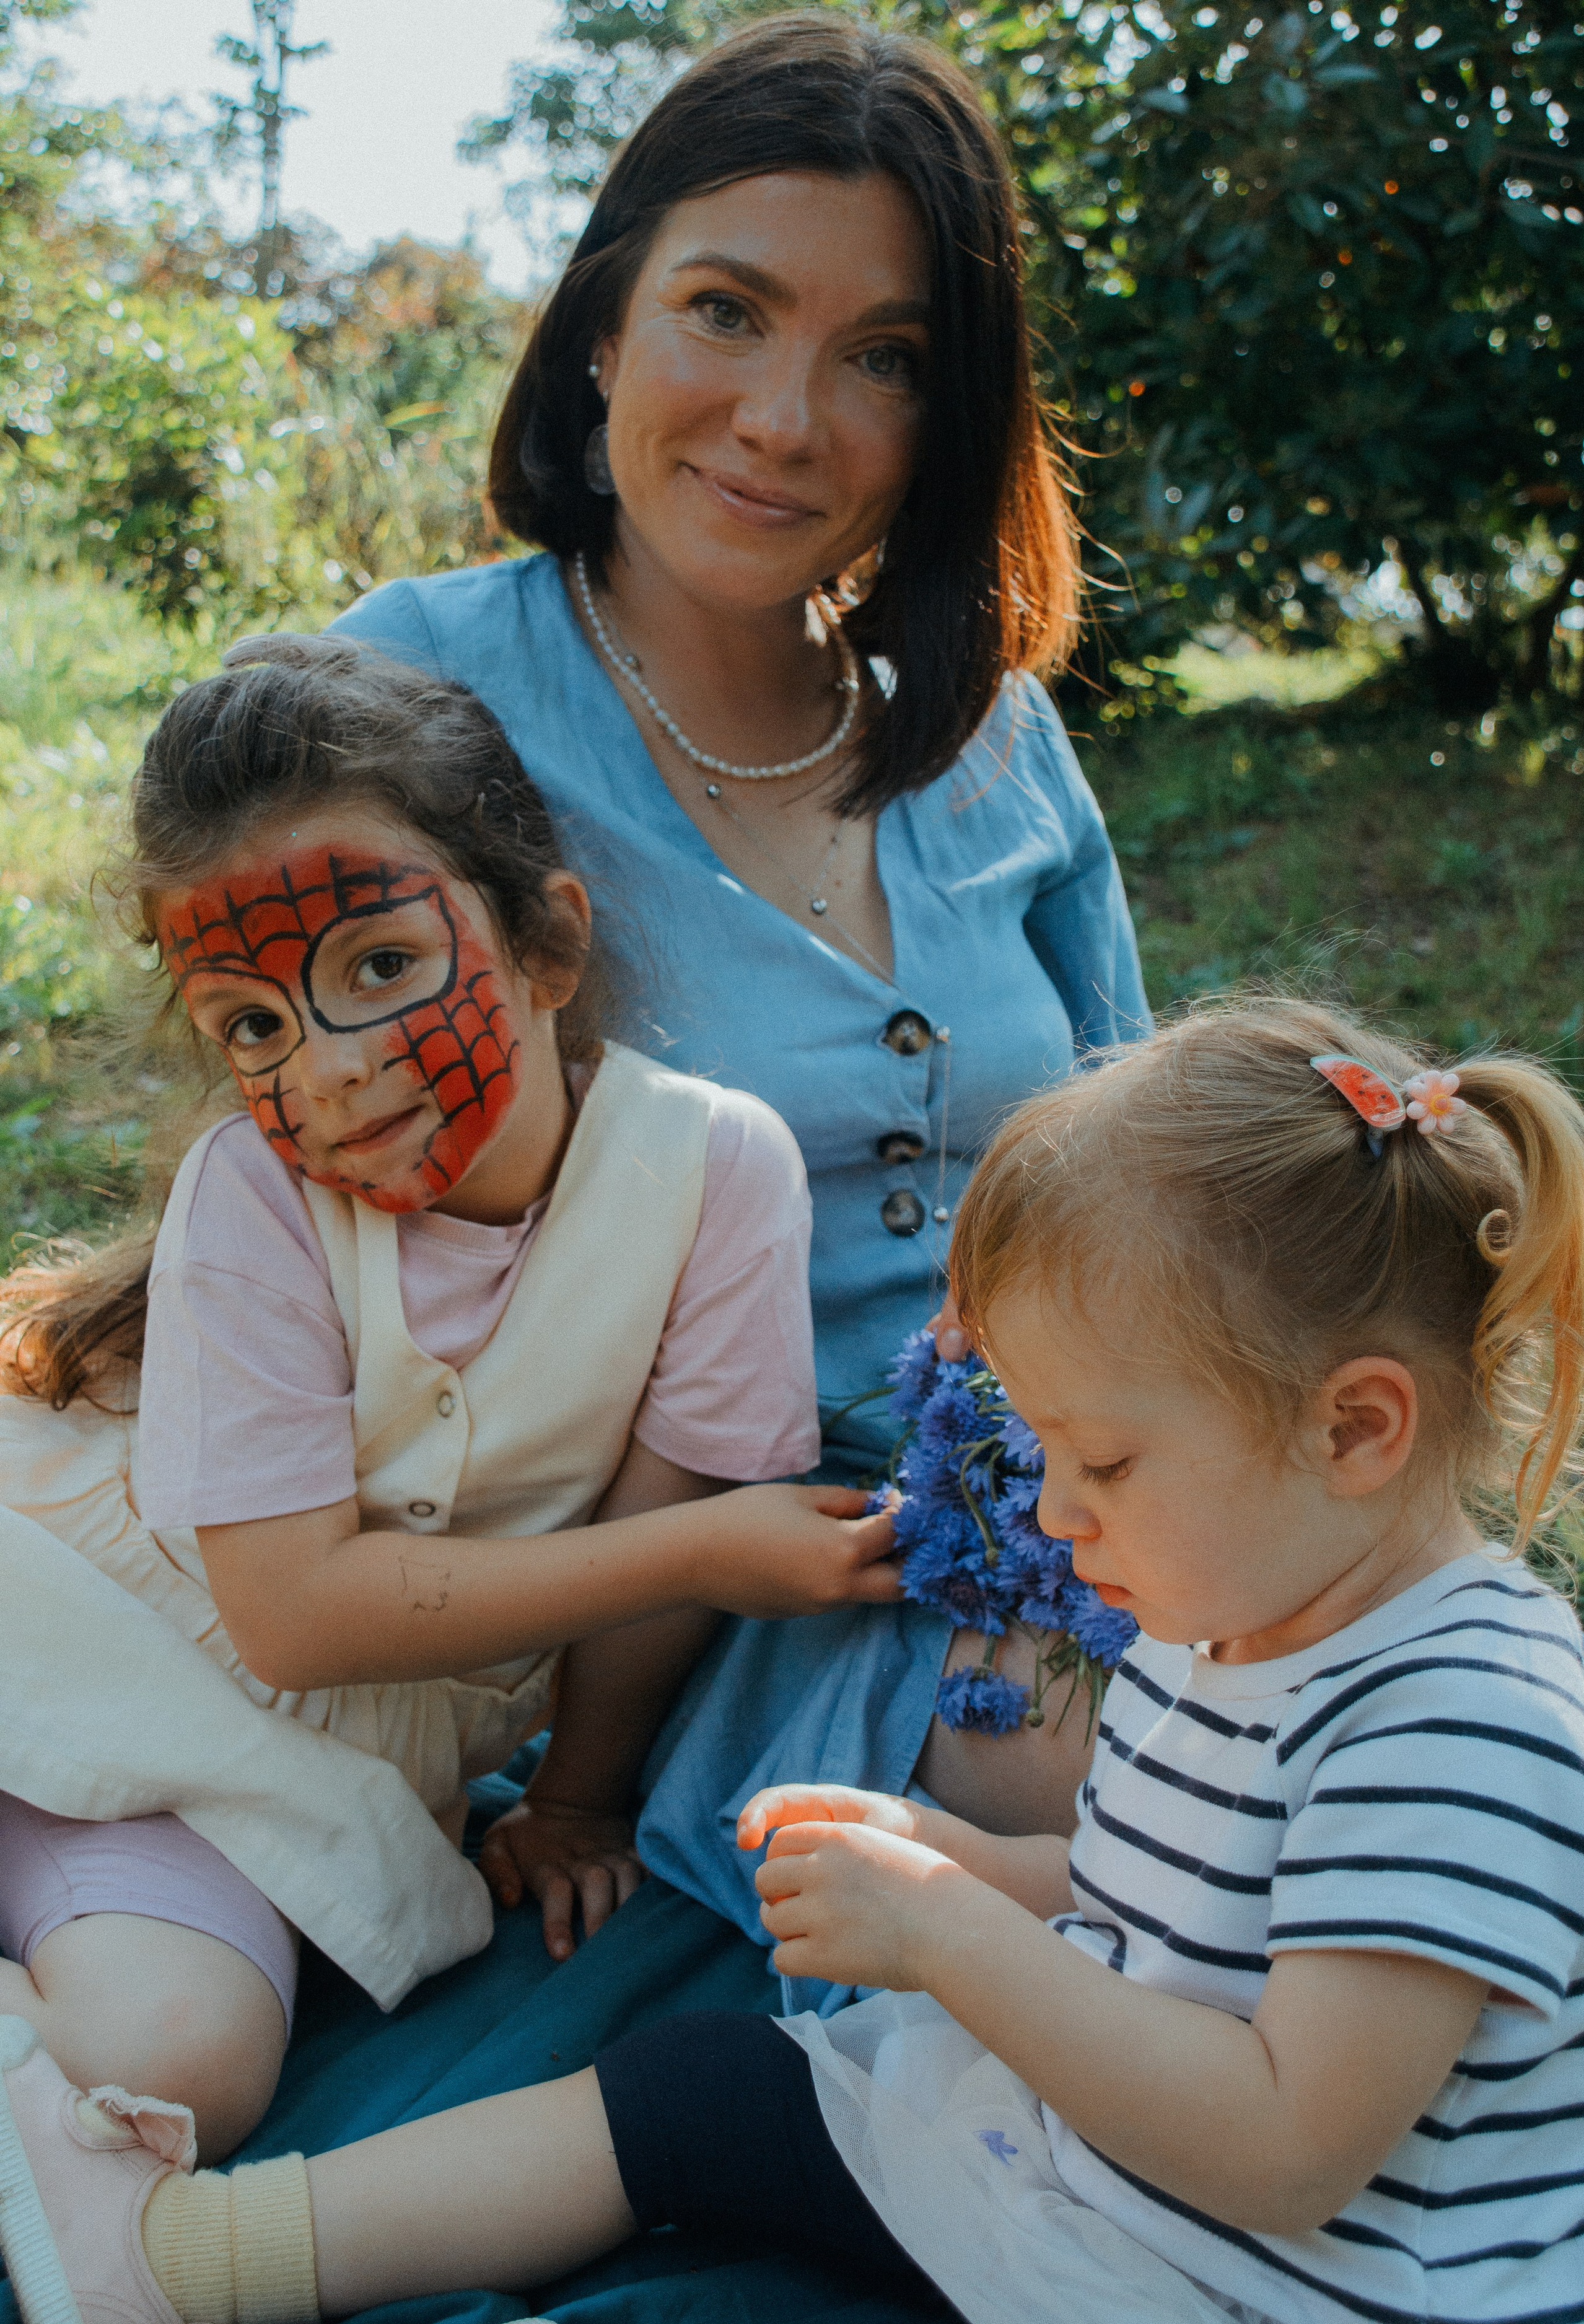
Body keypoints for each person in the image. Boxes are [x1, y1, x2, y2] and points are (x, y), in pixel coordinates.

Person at [10, 994, 1584, 2324]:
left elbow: (1282, 2146)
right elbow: (1180, 1913)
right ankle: (170, 2264)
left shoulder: (1459, 1728)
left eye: (1101, 1462)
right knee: (708, 2091)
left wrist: (950, 1938)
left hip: (1283, 2320)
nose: (1049, 1517)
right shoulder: (1242, 1602)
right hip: (1132, 2207)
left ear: (1356, 1429)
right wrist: (964, 1864)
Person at [335, 11, 1151, 1955]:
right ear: (602, 327)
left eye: (883, 359)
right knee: (1129, 1776)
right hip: (696, 1581)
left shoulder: (990, 740)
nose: (788, 417)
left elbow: (1150, 1158)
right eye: (725, 310)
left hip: (1109, 1482)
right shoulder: (411, 698)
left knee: (1448, 1703)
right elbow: (307, 1204)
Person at [0, 634, 899, 2162]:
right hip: (61, 1627)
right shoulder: (256, 1191)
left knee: (180, 2069)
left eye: (383, 968)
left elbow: (659, 1529)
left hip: (261, 1778)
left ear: (546, 945)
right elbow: (295, 1612)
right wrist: (699, 1557)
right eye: (255, 1026)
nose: (333, 1072)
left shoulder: (711, 1171)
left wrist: (579, 1802)